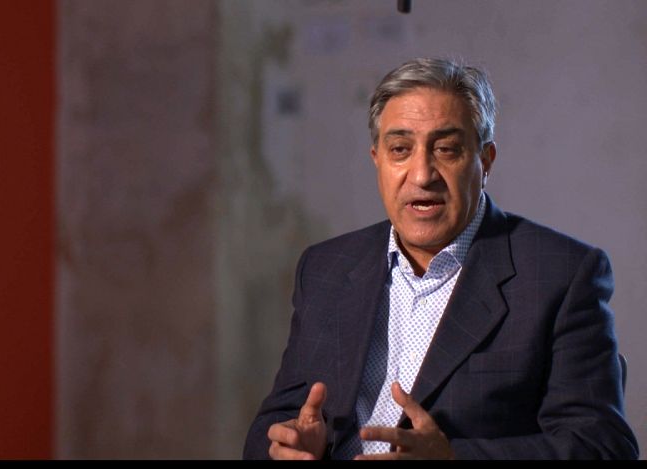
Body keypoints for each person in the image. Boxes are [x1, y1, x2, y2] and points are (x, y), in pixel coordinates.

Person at [242, 57, 639, 460]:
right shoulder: (327, 268)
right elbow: (272, 426)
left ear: (485, 160)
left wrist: (453, 458)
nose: (422, 175)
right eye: (400, 150)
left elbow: (602, 447)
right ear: (377, 158)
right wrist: (290, 446)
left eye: (446, 149)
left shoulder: (560, 275)